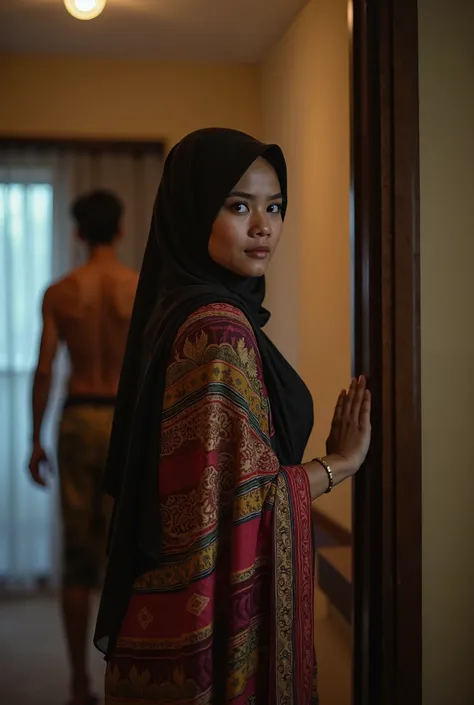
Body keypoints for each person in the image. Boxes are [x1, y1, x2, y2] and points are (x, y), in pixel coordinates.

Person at [93, 129, 371, 704]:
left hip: (165, 611)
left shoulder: (180, 305)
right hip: (204, 627)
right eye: (239, 205)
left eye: (275, 207)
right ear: (194, 211)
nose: (263, 225)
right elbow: (245, 503)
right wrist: (340, 464)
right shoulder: (219, 328)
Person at [28, 190, 139, 705]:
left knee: (76, 558)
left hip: (76, 419)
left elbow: (46, 367)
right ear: (118, 231)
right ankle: (127, 673)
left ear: (76, 232)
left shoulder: (60, 292)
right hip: (123, 421)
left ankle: (77, 683)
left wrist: (33, 439)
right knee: (126, 552)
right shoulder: (139, 288)